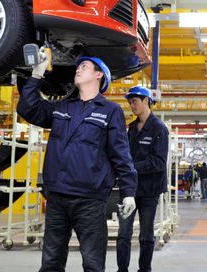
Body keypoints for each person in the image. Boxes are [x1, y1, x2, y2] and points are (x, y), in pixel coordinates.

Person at [18, 54, 138, 272]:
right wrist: (37, 74)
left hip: (89, 200)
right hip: (57, 196)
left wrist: (129, 191)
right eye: (78, 67)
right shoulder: (62, 107)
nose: (78, 70)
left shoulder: (110, 111)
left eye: (84, 66)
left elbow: (121, 153)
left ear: (99, 74)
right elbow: (28, 109)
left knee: (92, 263)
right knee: (51, 262)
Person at [117, 86, 169, 272]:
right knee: (123, 233)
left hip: (149, 190)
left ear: (147, 101)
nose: (132, 105)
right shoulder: (131, 128)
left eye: (135, 101)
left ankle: (144, 269)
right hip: (129, 189)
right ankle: (122, 269)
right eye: (130, 102)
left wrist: (131, 168)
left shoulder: (159, 129)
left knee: (146, 234)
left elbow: (159, 162)